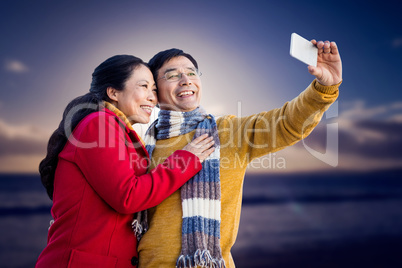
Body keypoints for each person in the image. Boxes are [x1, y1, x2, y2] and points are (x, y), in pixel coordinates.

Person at [137, 39, 342, 268]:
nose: (186, 81)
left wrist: (324, 88)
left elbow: (286, 123)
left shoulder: (227, 132)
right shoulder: (141, 146)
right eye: (173, 75)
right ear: (154, 91)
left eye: (192, 73)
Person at [35, 55, 215, 268]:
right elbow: (128, 196)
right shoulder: (99, 124)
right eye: (144, 87)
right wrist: (187, 159)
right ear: (113, 92)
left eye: (154, 90)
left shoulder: (117, 130)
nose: (152, 98)